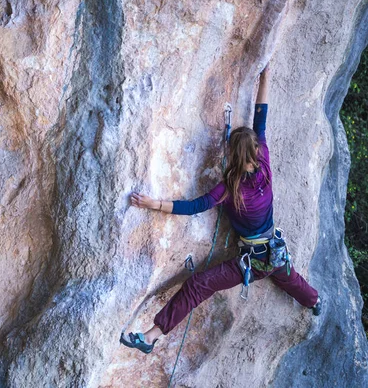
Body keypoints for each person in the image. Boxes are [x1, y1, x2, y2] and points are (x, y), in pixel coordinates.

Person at [120, 64, 321, 354]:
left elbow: (194, 206)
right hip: (274, 251)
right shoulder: (263, 160)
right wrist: (265, 77)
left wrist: (154, 204)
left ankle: (150, 337)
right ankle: (315, 301)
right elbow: (261, 118)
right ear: (253, 151)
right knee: (287, 276)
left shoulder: (228, 189)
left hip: (252, 261)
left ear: (232, 155)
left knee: (198, 285)